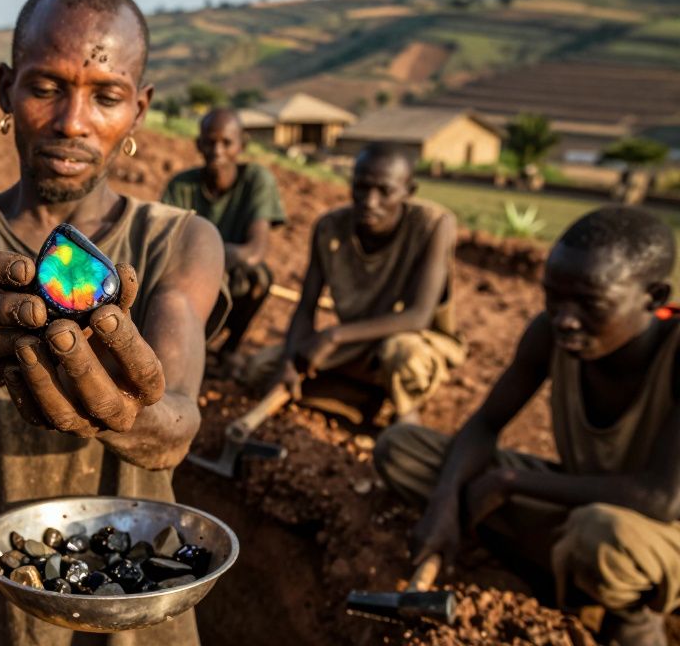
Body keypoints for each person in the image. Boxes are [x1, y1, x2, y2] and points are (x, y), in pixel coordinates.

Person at [0, 0, 227, 645]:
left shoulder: (181, 239)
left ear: (139, 110)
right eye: (45, 88)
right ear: (5, 88)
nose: (73, 122)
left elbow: (177, 422)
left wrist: (127, 409)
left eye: (106, 96)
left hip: (132, 603)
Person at [376, 207, 680, 646]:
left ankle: (630, 617)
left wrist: (510, 480)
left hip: (653, 534)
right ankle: (555, 569)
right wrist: (443, 504)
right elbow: (485, 425)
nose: (565, 319)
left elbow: (661, 497)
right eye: (553, 297)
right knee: (402, 449)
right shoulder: (550, 332)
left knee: (601, 536)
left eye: (590, 304)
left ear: (653, 298)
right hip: (578, 501)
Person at [250, 143, 463, 423]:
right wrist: (291, 361)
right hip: (356, 341)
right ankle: (369, 403)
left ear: (408, 192)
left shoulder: (434, 225)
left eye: (384, 191)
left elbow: (419, 316)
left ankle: (403, 419)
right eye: (361, 187)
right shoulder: (329, 228)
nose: (369, 201)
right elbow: (306, 306)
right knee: (262, 369)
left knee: (402, 356)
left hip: (408, 338)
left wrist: (333, 336)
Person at [161, 108, 285, 373]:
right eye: (210, 142)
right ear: (199, 145)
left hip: (229, 273)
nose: (217, 150)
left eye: (226, 143)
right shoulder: (181, 186)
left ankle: (229, 348)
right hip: (189, 276)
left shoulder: (256, 180)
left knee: (259, 277)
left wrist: (204, 258)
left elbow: (254, 252)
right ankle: (192, 347)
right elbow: (164, 248)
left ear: (241, 145)